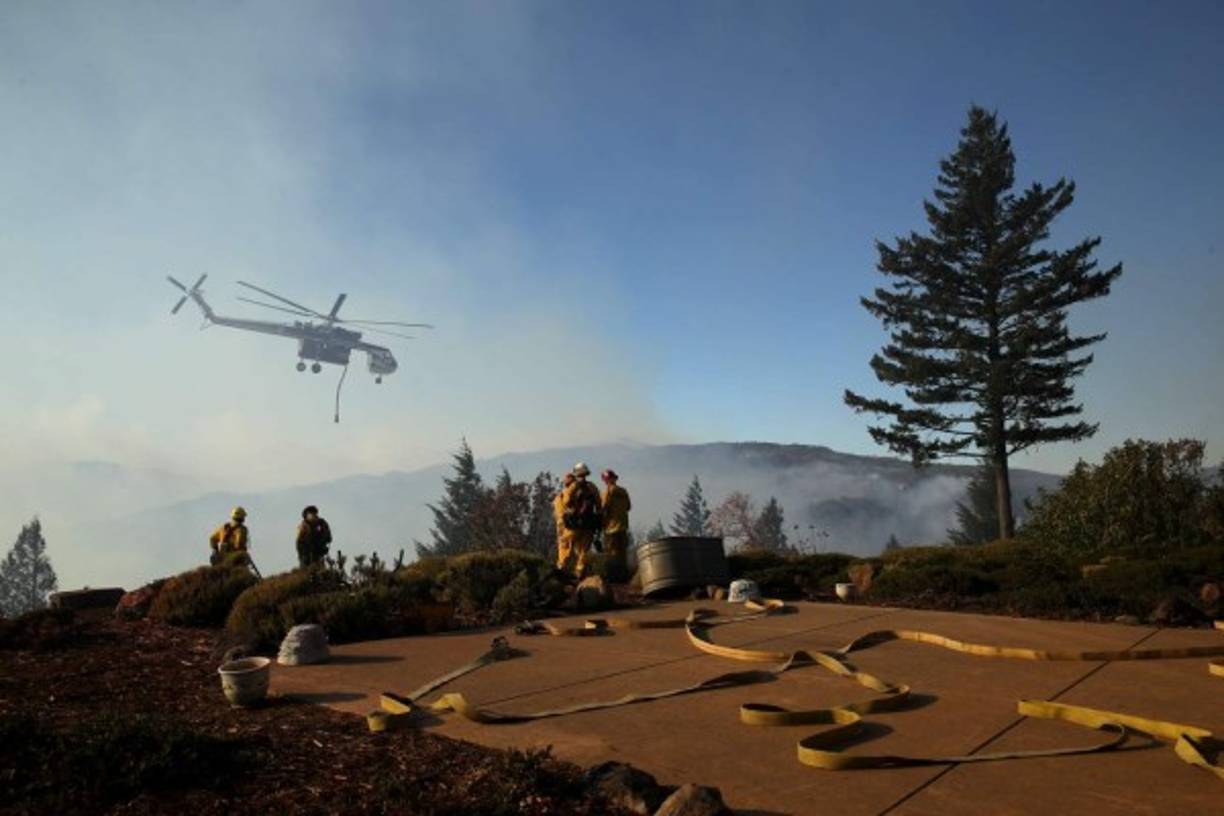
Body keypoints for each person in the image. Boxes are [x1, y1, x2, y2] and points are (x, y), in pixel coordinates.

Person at [559, 462, 602, 577]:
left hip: (573, 524)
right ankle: (579, 571)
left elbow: (565, 502)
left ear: (576, 473)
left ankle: (561, 567)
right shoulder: (592, 487)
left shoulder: (573, 487)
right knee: (584, 550)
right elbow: (599, 506)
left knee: (565, 544)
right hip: (588, 525)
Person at [600, 469, 632, 582]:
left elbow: (603, 509)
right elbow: (628, 507)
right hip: (623, 527)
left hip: (611, 529)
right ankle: (624, 577)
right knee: (622, 554)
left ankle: (614, 578)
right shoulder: (623, 491)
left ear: (605, 480)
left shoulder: (607, 493)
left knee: (612, 554)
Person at [553, 472, 576, 574]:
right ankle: (564, 568)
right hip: (568, 524)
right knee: (568, 547)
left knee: (563, 546)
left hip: (561, 523)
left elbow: (556, 511)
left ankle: (561, 567)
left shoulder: (560, 495)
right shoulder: (569, 494)